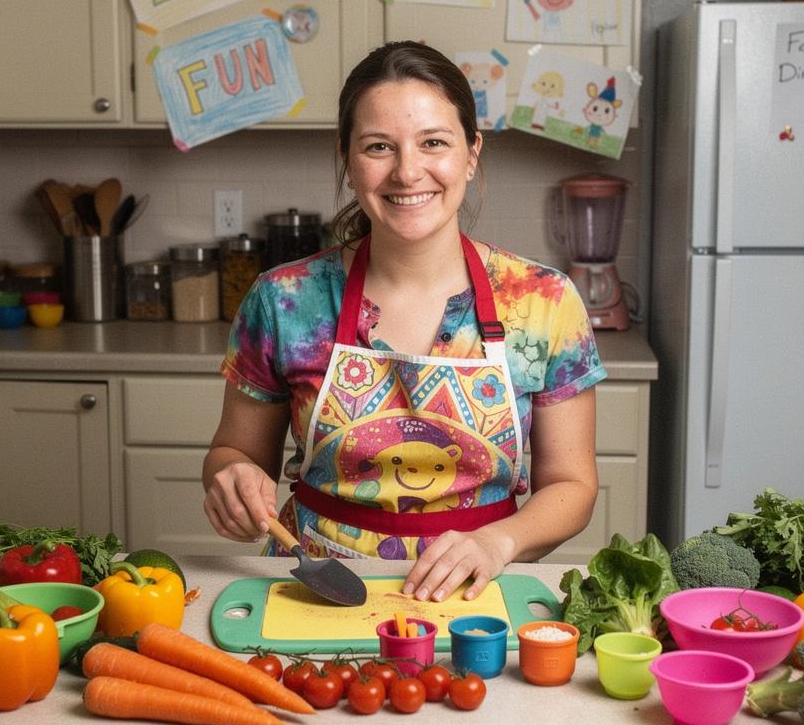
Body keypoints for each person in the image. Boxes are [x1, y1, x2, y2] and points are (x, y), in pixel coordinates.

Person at [202, 41, 605, 603]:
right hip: (312, 592)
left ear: (471, 152)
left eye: (434, 142)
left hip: (476, 594)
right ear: (347, 158)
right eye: (378, 147)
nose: (407, 171)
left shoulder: (544, 301)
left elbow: (573, 486)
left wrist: (499, 541)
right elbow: (233, 454)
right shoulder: (283, 299)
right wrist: (232, 479)